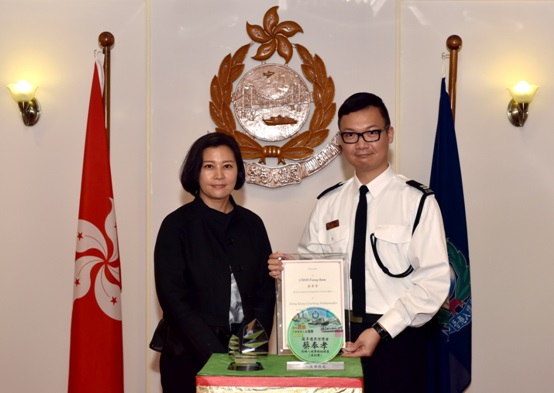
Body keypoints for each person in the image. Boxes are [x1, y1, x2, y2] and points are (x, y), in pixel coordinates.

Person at [268, 92, 450, 392]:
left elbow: (434, 282)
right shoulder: (327, 203)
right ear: (340, 141)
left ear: (389, 134)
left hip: (398, 339)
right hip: (332, 336)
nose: (361, 144)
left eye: (371, 133)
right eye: (351, 135)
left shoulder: (417, 201)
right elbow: (315, 269)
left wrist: (381, 329)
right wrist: (291, 269)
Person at [153, 132, 275, 393]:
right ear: (195, 172)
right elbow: (173, 298)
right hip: (188, 357)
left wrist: (251, 350)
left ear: (237, 172)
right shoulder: (176, 226)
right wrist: (216, 355)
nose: (219, 175)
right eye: (209, 166)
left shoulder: (252, 225)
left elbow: (265, 294)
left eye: (227, 166)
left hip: (246, 358)